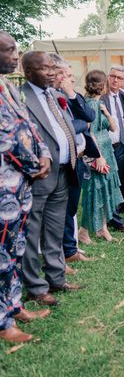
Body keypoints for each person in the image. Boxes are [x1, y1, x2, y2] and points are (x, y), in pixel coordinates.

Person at [0, 32, 52, 343]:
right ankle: (3, 324)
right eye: (9, 50)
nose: (15, 56)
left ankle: (15, 305)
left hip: (20, 187)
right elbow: (5, 138)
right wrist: (36, 165)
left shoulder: (7, 86)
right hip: (5, 187)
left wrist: (44, 152)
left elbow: (27, 125)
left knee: (15, 250)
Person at [20, 51, 82, 306]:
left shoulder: (54, 96)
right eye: (45, 68)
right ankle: (36, 287)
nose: (51, 71)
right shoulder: (21, 97)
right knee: (33, 233)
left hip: (64, 171)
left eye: (52, 67)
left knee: (55, 230)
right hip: (39, 174)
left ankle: (57, 278)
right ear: (29, 72)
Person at [52, 59, 98, 267]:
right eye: (67, 75)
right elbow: (66, 126)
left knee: (71, 207)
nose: (71, 79)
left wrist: (71, 94)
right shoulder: (51, 98)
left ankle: (69, 249)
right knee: (61, 208)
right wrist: (81, 124)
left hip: (78, 158)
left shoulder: (71, 95)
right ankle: (63, 251)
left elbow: (90, 115)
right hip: (63, 161)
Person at [79, 70, 124, 243]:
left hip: (107, 151)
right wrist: (97, 156)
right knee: (94, 192)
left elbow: (113, 128)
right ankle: (83, 231)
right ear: (102, 86)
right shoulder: (90, 105)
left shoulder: (99, 105)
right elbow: (89, 133)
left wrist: (106, 113)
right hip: (97, 153)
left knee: (105, 191)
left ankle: (102, 228)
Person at [100, 65, 124, 234]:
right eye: (112, 76)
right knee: (108, 182)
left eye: (119, 78)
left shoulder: (123, 96)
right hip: (104, 146)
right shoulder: (100, 96)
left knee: (119, 180)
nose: (115, 80)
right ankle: (113, 219)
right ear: (108, 77)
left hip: (121, 144)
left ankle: (117, 210)